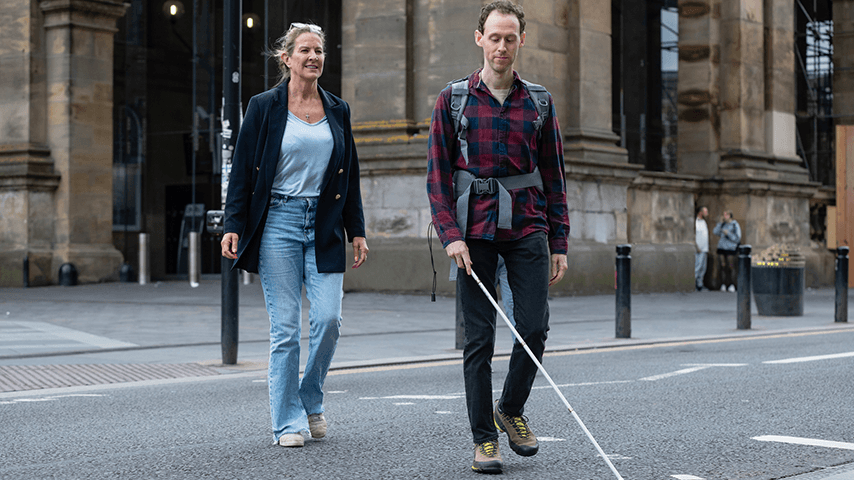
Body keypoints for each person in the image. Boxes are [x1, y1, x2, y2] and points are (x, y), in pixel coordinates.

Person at [426, 1, 569, 473]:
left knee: (533, 330)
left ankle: (510, 408)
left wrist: (560, 241)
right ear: (479, 38)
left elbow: (554, 177)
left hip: (528, 226)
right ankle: (484, 440)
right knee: (479, 340)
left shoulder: (540, 103)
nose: (502, 46)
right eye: (494, 37)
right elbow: (437, 177)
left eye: (510, 38)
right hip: (473, 232)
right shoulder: (453, 100)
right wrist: (450, 236)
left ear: (521, 41)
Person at [220, 23, 368, 448]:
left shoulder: (337, 109)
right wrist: (234, 224)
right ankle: (288, 422)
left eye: (318, 50)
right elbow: (243, 171)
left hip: (323, 224)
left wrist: (356, 230)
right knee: (285, 330)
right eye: (304, 50)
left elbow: (349, 174)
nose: (313, 57)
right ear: (286, 59)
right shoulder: (264, 107)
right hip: (278, 225)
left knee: (328, 320)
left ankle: (309, 397)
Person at [713, 210, 741, 292]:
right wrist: (719, 223)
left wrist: (728, 233)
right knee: (723, 266)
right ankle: (723, 284)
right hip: (722, 248)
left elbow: (737, 238)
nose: (724, 216)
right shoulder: (723, 224)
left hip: (730, 249)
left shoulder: (735, 224)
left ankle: (732, 284)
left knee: (731, 266)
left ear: (730, 216)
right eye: (723, 215)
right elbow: (715, 232)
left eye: (726, 215)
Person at [694, 206, 709, 291]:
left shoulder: (704, 222)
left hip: (705, 249)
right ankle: (694, 284)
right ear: (700, 212)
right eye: (705, 211)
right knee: (697, 267)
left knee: (703, 268)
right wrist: (697, 246)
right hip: (699, 249)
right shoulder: (696, 222)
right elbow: (694, 236)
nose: (707, 213)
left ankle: (700, 284)